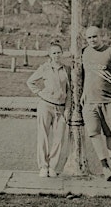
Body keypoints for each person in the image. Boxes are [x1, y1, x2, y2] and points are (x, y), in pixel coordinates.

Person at [81, 26, 111, 181]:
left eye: (95, 37)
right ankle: (105, 167)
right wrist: (84, 94)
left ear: (101, 36)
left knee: (110, 134)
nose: (92, 40)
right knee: (93, 133)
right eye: (89, 38)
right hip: (90, 102)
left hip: (107, 100)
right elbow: (85, 75)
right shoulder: (85, 52)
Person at [27, 41, 72, 178]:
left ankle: (53, 166)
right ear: (49, 54)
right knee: (43, 136)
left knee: (59, 139)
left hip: (61, 108)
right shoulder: (45, 68)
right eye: (54, 53)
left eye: (58, 52)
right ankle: (43, 166)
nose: (56, 55)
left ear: (62, 53)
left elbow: (69, 91)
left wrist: (67, 109)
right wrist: (40, 93)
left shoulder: (67, 69)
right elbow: (30, 82)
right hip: (45, 105)